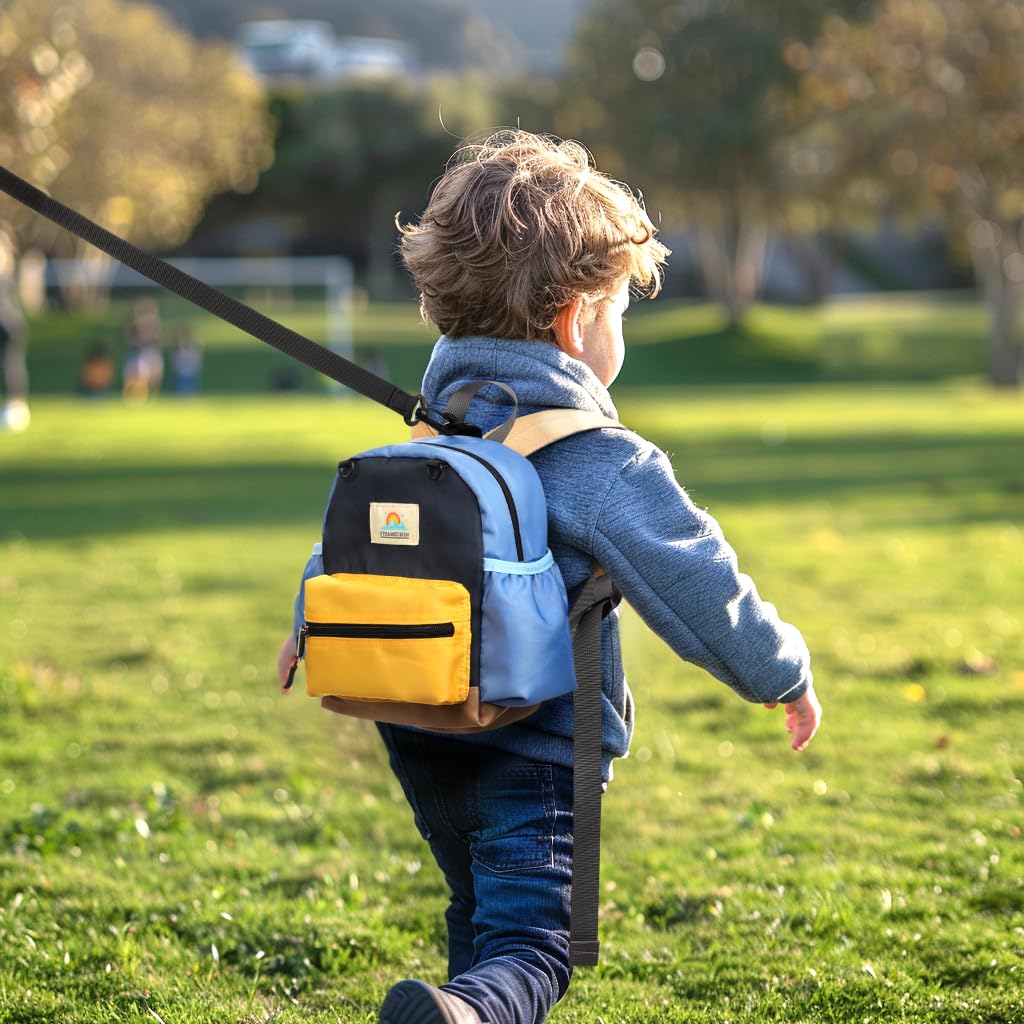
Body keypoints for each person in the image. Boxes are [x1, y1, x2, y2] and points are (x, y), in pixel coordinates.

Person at [275, 131, 822, 1024]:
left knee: (479, 909)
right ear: (575, 321)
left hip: (415, 726)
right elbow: (696, 583)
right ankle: (466, 1015)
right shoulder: (601, 460)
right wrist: (782, 670)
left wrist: (307, 624)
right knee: (537, 946)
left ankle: (454, 1008)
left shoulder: (425, 440)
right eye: (616, 314)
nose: (617, 335)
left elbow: (349, 548)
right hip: (535, 746)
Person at [0, 229, 30, 432]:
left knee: (12, 364)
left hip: (8, 323)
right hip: (9, 321)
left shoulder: (5, 273)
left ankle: (16, 406)